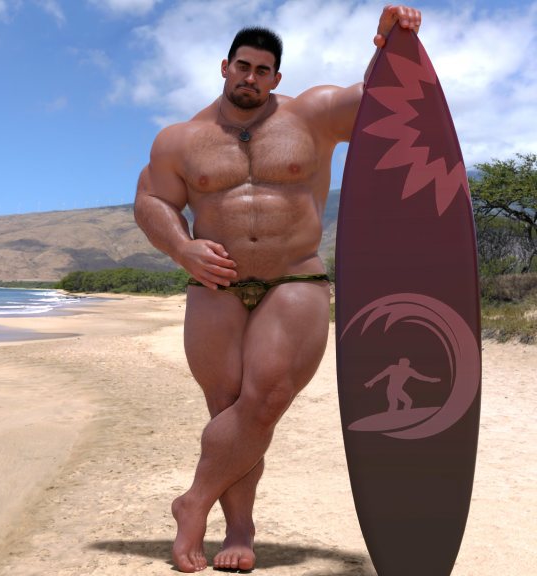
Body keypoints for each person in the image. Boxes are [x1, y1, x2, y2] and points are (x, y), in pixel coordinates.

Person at [134, 5, 422, 572]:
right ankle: (239, 527)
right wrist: (182, 247)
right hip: (215, 284)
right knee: (227, 408)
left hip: (296, 276)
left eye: (264, 70)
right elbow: (151, 201)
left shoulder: (311, 115)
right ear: (224, 66)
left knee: (264, 401)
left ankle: (192, 504)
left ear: (277, 78)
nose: (252, 77)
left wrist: (389, 41)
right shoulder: (180, 139)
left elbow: (378, 97)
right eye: (243, 66)